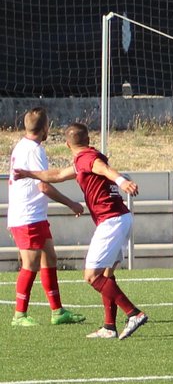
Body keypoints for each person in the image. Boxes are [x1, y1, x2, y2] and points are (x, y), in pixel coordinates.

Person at [14, 123, 148, 340]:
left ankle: (134, 313)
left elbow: (103, 169)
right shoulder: (84, 159)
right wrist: (29, 173)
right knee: (106, 274)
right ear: (88, 139)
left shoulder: (86, 158)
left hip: (112, 221)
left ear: (68, 145)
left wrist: (122, 181)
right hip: (120, 218)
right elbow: (58, 174)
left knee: (91, 276)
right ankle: (109, 327)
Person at [7, 107, 87, 327]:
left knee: (50, 258)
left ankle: (57, 311)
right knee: (30, 264)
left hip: (33, 214)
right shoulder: (35, 150)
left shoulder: (22, 146)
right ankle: (19, 315)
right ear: (45, 128)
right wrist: (71, 203)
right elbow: (43, 185)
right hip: (27, 216)